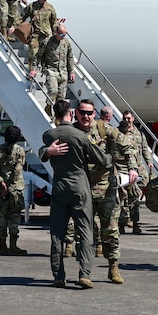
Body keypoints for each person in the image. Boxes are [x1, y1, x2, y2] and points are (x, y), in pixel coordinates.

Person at [39, 98, 112, 289]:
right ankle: (85, 274)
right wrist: (111, 158)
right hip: (80, 185)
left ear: (55, 115)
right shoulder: (80, 136)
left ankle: (58, 275)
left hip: (60, 185)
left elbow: (43, 146)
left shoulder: (49, 136)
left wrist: (48, 151)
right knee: (85, 230)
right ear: (71, 114)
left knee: (57, 233)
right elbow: (102, 160)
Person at [85, 102, 139, 283]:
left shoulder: (103, 129)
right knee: (84, 232)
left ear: (94, 114)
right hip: (84, 189)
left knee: (111, 230)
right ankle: (84, 272)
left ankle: (113, 267)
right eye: (82, 113)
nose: (86, 117)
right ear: (76, 114)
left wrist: (132, 168)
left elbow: (128, 146)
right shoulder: (73, 132)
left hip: (107, 188)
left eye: (89, 113)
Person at [0, 125, 27, 255]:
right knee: (14, 217)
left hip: (2, 190)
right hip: (15, 190)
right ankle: (13, 246)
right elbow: (17, 170)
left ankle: (2, 246)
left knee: (2, 216)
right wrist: (10, 186)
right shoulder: (19, 151)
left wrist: (1, 183)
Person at [117, 110, 151, 235]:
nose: (127, 120)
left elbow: (144, 149)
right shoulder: (118, 132)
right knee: (122, 197)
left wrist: (149, 162)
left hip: (136, 169)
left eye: (129, 118)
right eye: (125, 118)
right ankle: (122, 223)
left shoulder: (139, 133)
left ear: (133, 119)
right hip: (121, 169)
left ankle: (135, 223)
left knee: (134, 196)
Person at [35, 24, 75, 115]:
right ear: (56, 32)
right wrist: (34, 69)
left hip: (63, 72)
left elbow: (70, 57)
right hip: (51, 70)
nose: (63, 37)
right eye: (61, 35)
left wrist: (72, 71)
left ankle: (58, 117)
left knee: (61, 99)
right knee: (53, 91)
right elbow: (38, 56)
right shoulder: (47, 42)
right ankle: (48, 107)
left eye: (64, 34)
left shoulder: (66, 43)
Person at [21, 0, 58, 72]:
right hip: (34, 35)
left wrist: (56, 36)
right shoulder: (32, 6)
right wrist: (13, 26)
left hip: (46, 36)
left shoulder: (50, 8)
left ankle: (42, 70)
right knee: (33, 53)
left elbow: (54, 23)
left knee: (44, 55)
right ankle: (32, 71)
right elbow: (22, 16)